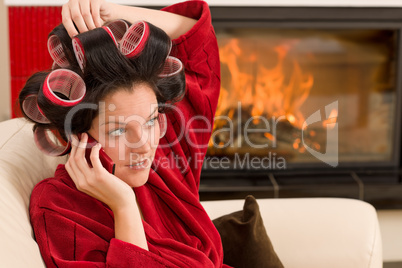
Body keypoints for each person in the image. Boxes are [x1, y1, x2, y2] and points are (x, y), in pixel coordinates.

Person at [19, 0, 226, 267]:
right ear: (79, 134)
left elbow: (199, 42)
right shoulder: (59, 206)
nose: (144, 145)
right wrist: (124, 206)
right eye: (118, 129)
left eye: (151, 121)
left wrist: (112, 12)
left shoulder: (166, 157)